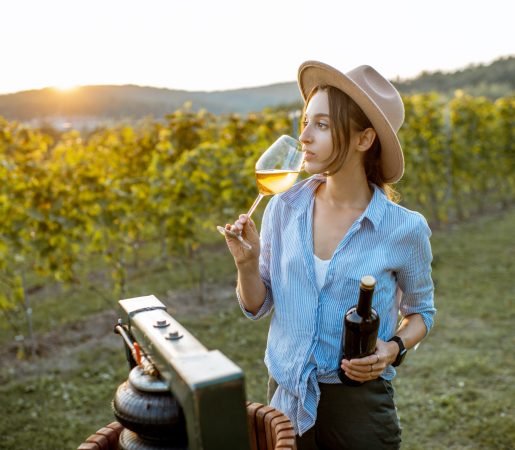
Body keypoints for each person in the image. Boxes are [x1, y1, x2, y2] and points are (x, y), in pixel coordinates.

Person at [222, 61, 435, 449]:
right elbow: (258, 304)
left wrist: (392, 349)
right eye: (305, 122)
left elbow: (422, 312)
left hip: (359, 404)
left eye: (321, 125)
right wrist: (246, 265)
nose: (303, 137)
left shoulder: (404, 229)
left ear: (363, 139)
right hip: (286, 392)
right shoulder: (283, 207)